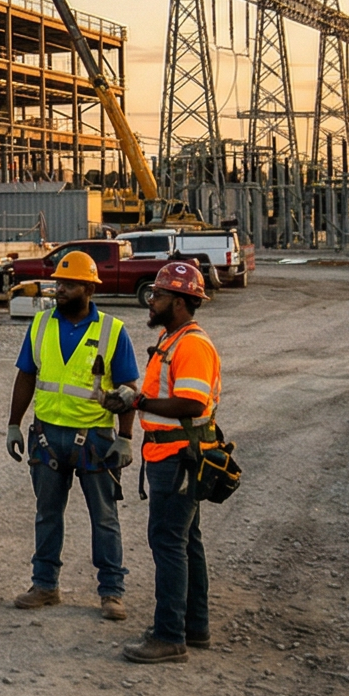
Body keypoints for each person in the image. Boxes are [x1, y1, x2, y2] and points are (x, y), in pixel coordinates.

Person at [4, 249, 139, 618]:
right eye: (59, 283)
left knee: (104, 517)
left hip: (95, 439)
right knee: (47, 514)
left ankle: (112, 592)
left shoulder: (112, 331)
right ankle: (45, 585)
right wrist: (14, 423)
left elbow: (128, 388)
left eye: (69, 284)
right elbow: (26, 375)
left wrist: (125, 437)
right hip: (47, 436)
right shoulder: (42, 324)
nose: (60, 290)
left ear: (88, 288)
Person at [105, 259, 224, 664]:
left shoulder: (191, 345)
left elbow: (191, 402)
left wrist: (138, 401)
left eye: (158, 295)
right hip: (173, 455)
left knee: (169, 543)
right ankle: (195, 626)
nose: (151, 301)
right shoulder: (174, 341)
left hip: (178, 456)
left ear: (180, 301)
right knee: (186, 541)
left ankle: (170, 635)